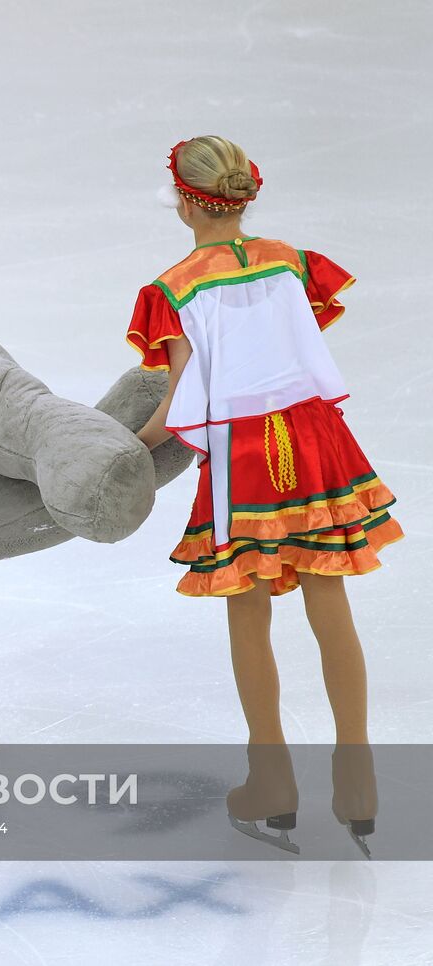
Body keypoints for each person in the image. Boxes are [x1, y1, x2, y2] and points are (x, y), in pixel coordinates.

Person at [130, 137, 401, 855]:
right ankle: (358, 780)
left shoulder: (175, 285)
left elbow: (183, 395)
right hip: (312, 438)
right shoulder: (291, 260)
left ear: (186, 200)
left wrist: (132, 442)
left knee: (248, 609)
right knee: (328, 594)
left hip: (244, 453)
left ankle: (272, 781)